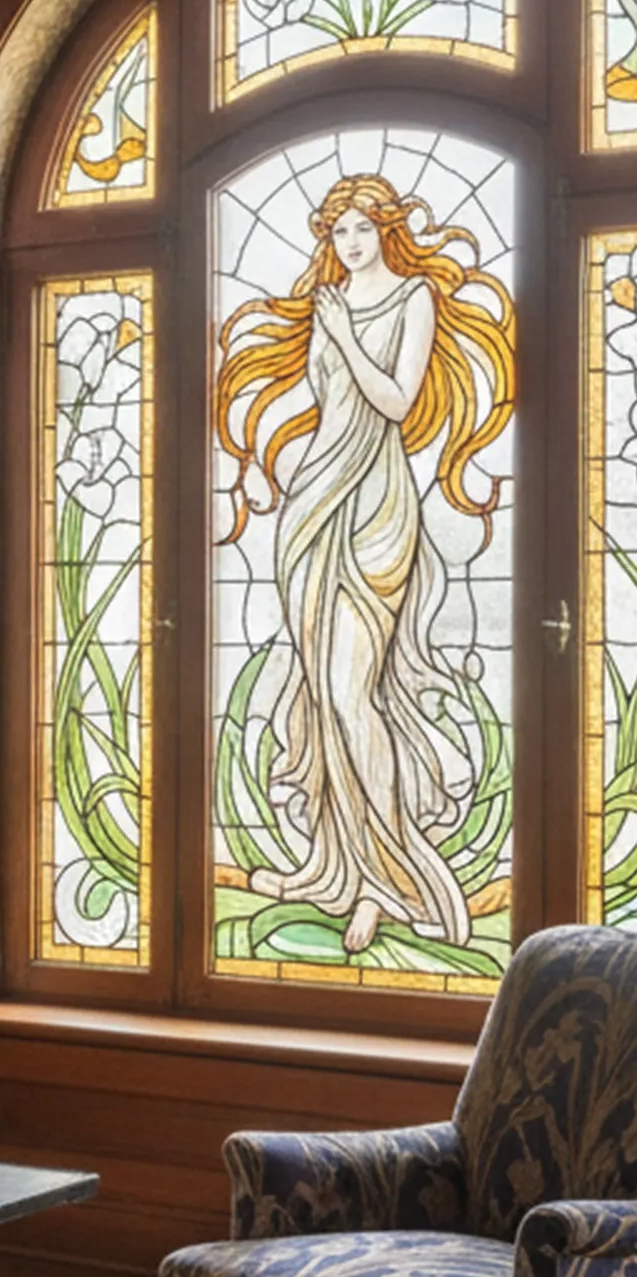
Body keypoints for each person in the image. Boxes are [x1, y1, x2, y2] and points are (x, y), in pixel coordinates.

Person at [214, 172, 515, 955]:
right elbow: (325, 406)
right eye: (335, 232)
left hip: (378, 503)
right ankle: (336, 869)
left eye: (359, 229)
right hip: (314, 499)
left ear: (386, 229)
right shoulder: (324, 301)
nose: (347, 244)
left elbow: (392, 402)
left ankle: (394, 879)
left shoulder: (412, 296)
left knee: (354, 695)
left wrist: (345, 333)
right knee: (321, 693)